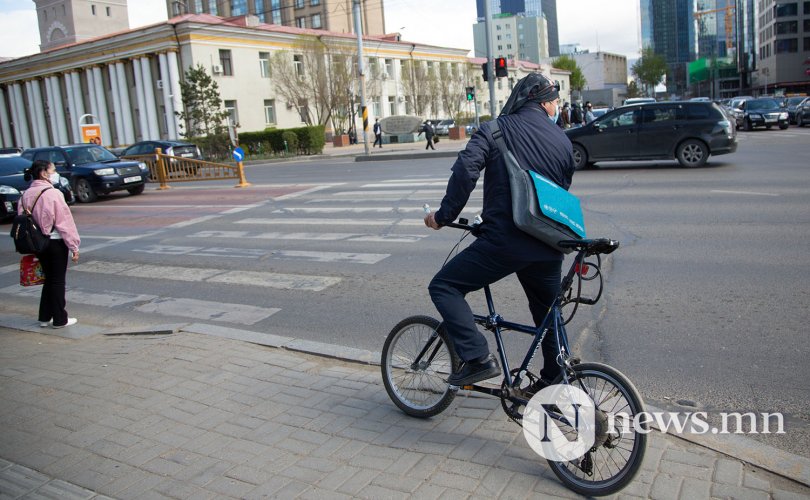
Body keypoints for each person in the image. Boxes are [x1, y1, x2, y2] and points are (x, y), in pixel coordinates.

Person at [424, 72, 575, 387]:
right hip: (549, 242)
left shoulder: (493, 130)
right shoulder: (562, 139)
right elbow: (560, 189)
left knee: (444, 286)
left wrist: (443, 215)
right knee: (548, 314)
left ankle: (478, 357)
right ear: (541, 102)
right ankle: (554, 382)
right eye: (554, 101)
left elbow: (466, 170)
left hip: (506, 240)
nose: (556, 107)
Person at [19, 160, 81, 329]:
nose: (56, 173)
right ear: (44, 173)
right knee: (57, 281)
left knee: (49, 279)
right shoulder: (52, 194)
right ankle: (60, 319)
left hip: (37, 243)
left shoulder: (26, 194)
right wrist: (74, 246)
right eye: (54, 170)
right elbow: (64, 222)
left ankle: (45, 318)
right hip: (54, 241)